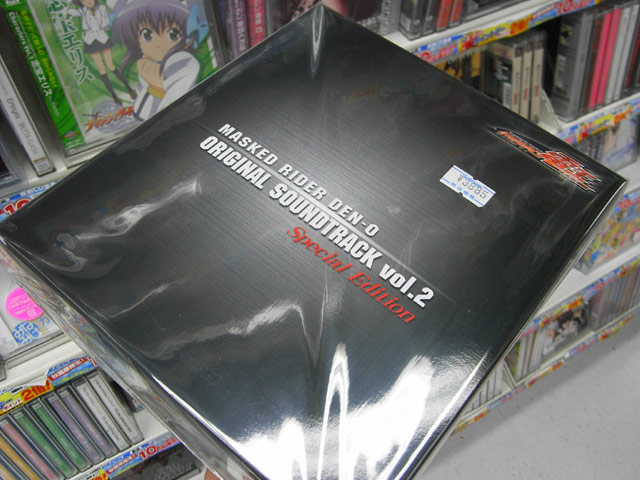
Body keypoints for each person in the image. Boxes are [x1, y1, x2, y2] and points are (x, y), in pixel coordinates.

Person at [111, 0, 208, 121]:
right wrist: (153, 86)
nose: (158, 45)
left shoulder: (184, 61)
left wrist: (157, 87)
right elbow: (141, 112)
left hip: (194, 119)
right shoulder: (147, 64)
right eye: (147, 35)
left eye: (173, 35)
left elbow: (173, 113)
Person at [65, 0, 136, 104]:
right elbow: (67, 12)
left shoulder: (101, 8)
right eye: (83, 0)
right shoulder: (82, 11)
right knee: (102, 69)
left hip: (102, 38)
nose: (88, 1)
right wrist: (67, 2)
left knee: (111, 66)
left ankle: (129, 89)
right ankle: (114, 96)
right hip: (91, 40)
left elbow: (106, 22)